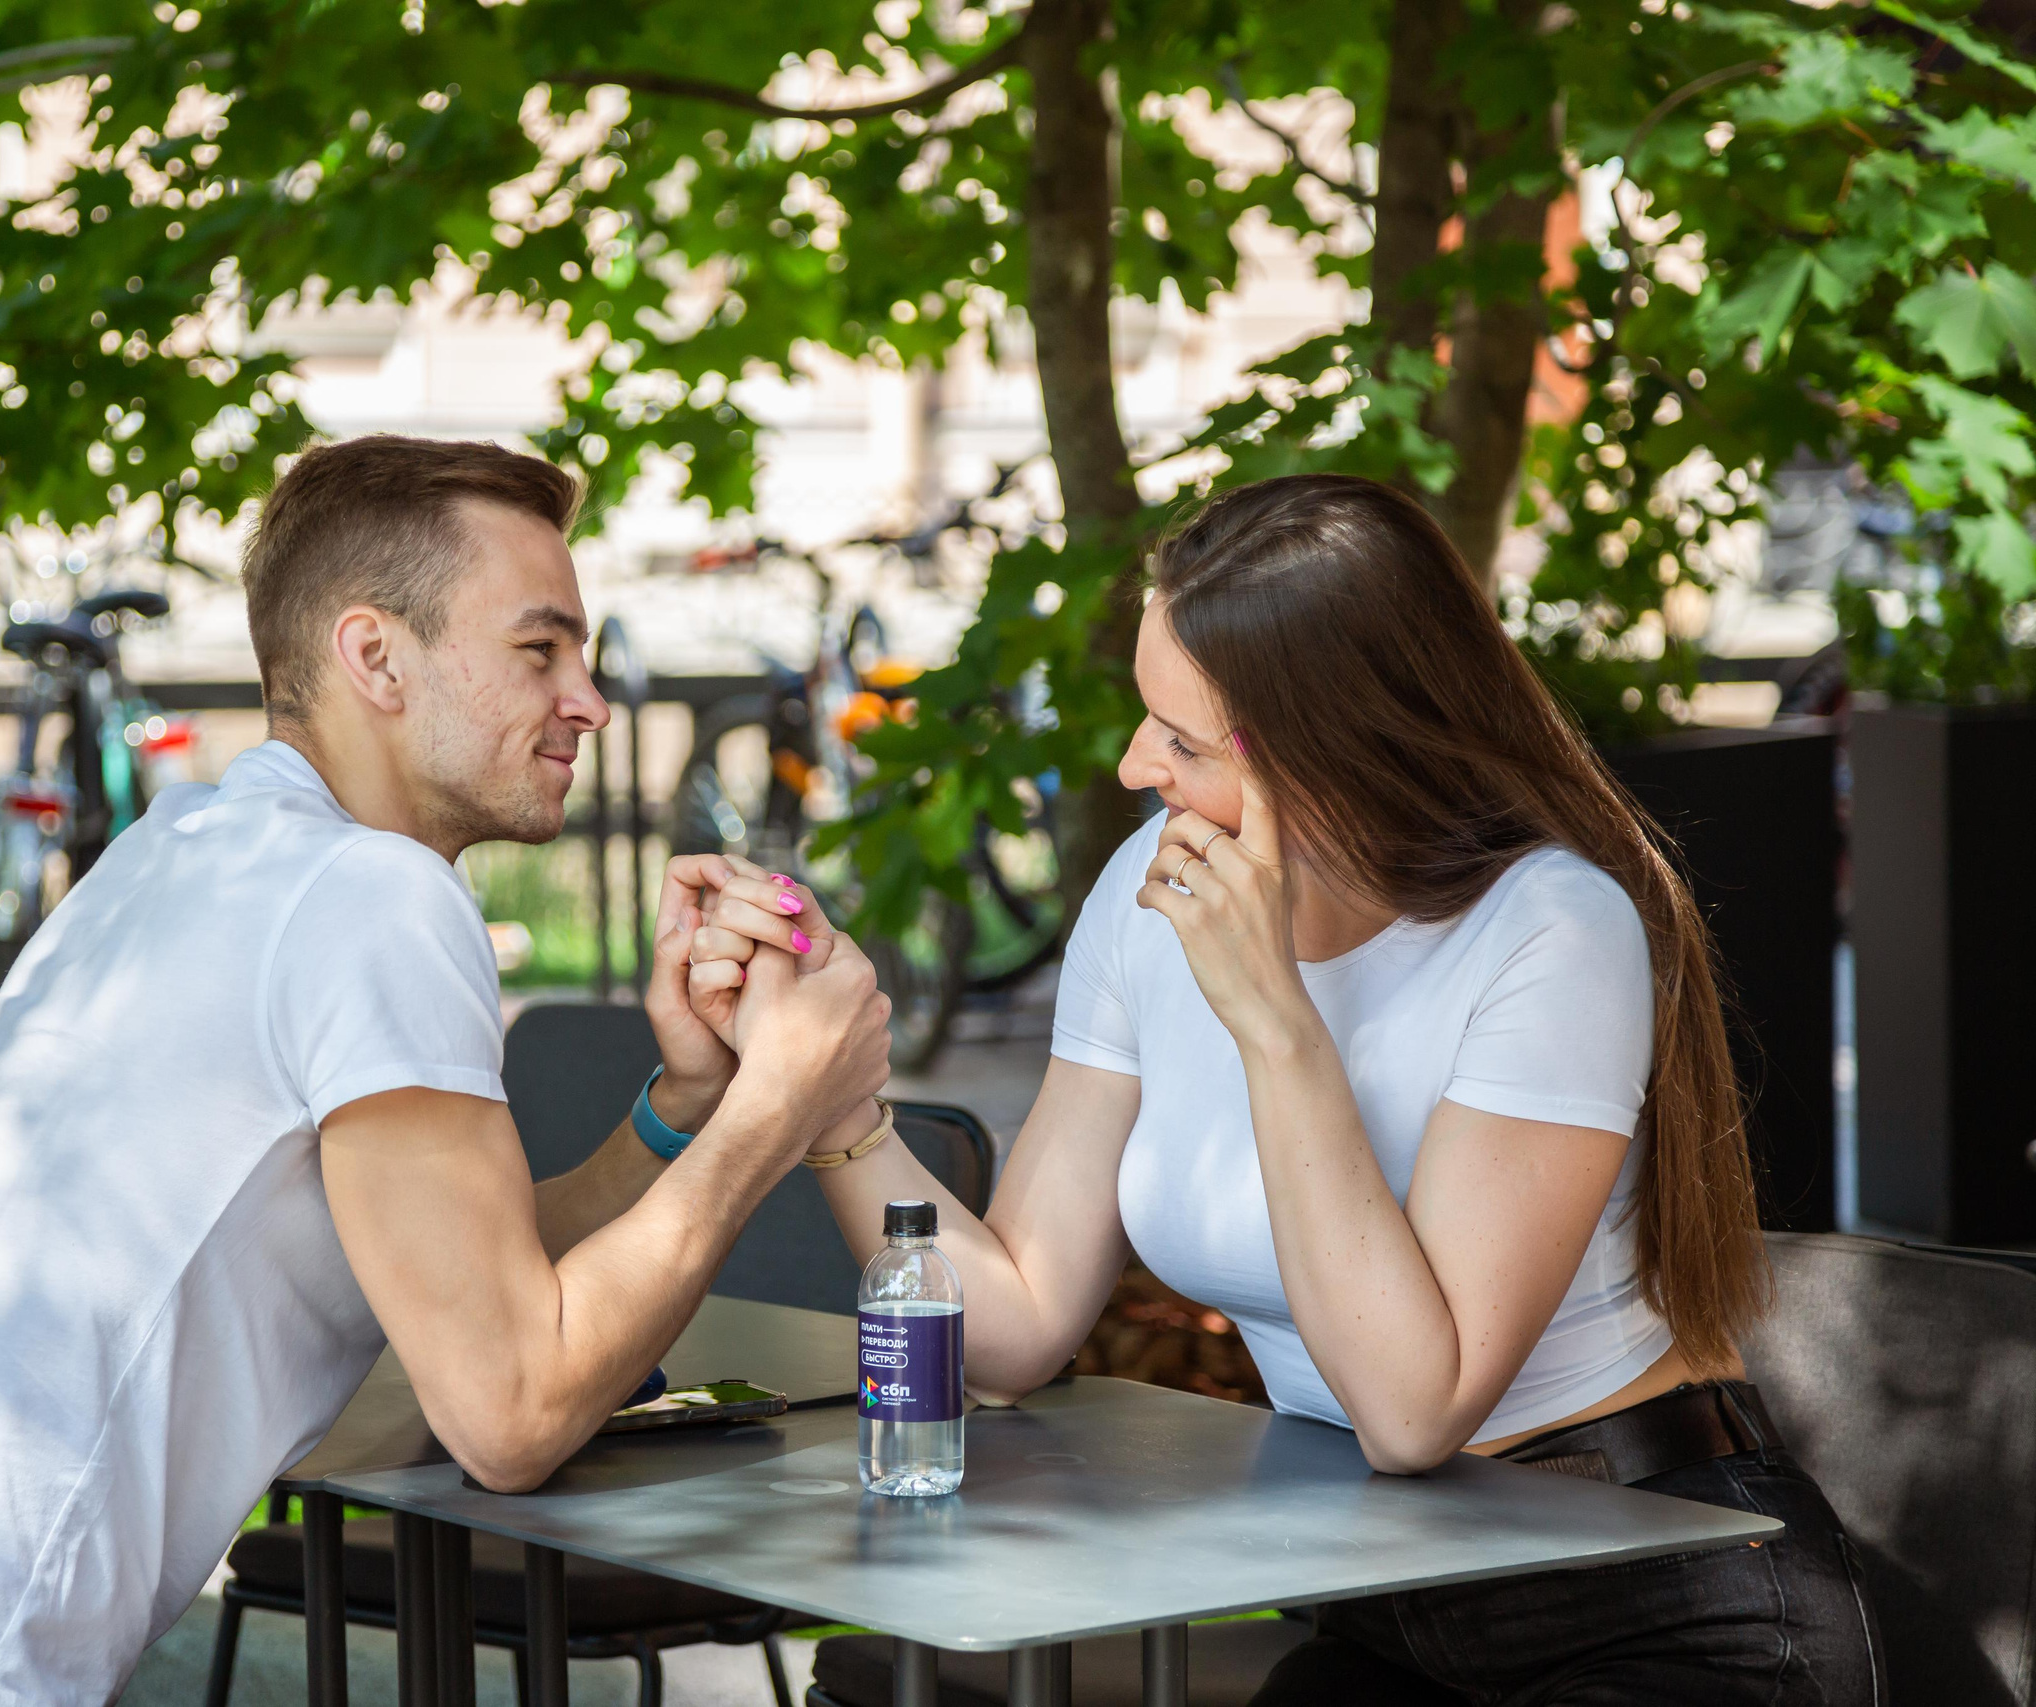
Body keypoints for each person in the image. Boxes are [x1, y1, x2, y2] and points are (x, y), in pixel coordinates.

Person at [0, 434, 892, 1707]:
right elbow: (512, 1411)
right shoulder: (376, 895)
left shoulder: (180, 846)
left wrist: (684, 1109)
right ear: (374, 657)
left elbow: (476, 1277)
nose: (588, 698)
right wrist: (777, 1107)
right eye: (540, 649)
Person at [692, 475, 1883, 1705]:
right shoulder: (1149, 900)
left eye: (1182, 741)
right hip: (1385, 1597)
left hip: (1650, 1594)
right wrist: (830, 1105)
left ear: (1331, 755)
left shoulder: (1551, 927)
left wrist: (1275, 1019)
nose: (1133, 761)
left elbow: (1415, 1411)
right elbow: (1020, 1324)